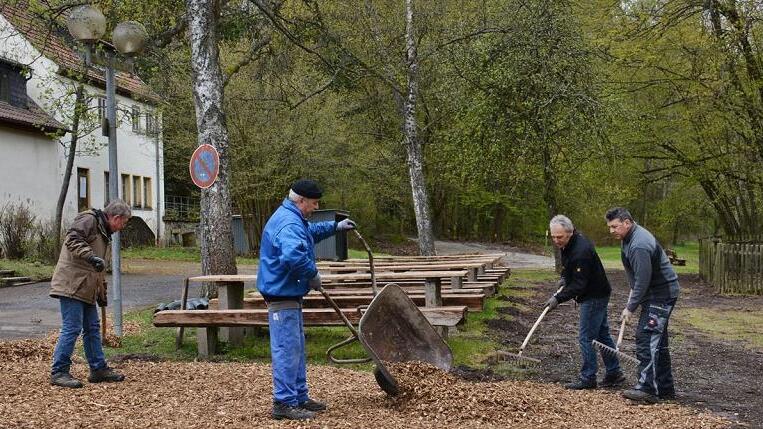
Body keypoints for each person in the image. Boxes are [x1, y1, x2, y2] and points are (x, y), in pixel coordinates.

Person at [257, 179, 357, 420]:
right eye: (313, 203)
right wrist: (313, 275)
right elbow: (293, 256)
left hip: (289, 292)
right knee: (287, 349)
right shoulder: (288, 222)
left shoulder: (292, 217)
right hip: (281, 294)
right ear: (300, 200)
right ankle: (283, 403)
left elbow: (308, 233)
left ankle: (299, 397)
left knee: (296, 349)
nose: (315, 207)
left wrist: (335, 227)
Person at [49, 199, 131, 388]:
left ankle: (97, 369)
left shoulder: (104, 232)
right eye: (123, 223)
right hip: (72, 283)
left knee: (92, 328)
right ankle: (59, 371)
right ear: (116, 217)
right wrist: (90, 256)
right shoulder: (89, 219)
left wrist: (102, 292)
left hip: (86, 286)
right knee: (72, 327)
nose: (122, 227)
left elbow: (98, 267)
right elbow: (72, 239)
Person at [605, 207, 680, 404]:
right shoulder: (628, 240)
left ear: (627, 223)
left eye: (615, 226)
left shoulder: (639, 244)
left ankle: (647, 389)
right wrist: (634, 299)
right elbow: (635, 277)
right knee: (659, 343)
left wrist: (630, 308)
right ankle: (664, 388)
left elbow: (643, 280)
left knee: (646, 336)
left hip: (661, 294)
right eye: (609, 227)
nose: (611, 231)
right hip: (655, 294)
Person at [543, 215, 625, 390]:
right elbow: (568, 265)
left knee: (586, 337)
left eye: (560, 237)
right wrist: (565, 277)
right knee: (602, 335)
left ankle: (588, 378)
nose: (556, 241)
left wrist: (558, 298)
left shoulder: (581, 250)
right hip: (595, 292)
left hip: (594, 295)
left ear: (570, 233)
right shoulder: (568, 244)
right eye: (553, 237)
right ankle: (614, 372)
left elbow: (580, 284)